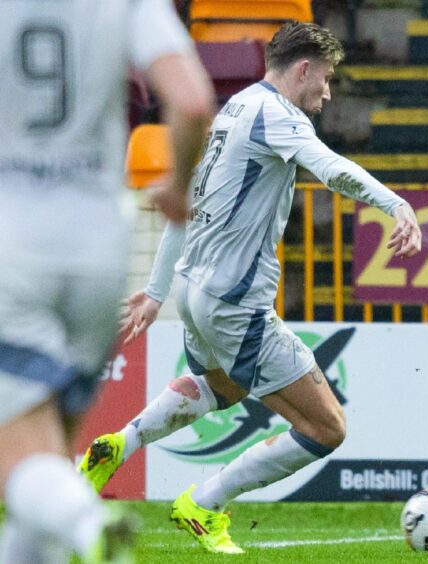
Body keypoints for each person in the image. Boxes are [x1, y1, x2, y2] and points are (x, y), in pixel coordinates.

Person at [79, 22, 423, 555]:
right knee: (327, 428)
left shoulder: (233, 109)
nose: (328, 93)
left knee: (223, 387)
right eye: (327, 79)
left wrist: (155, 290)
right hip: (235, 303)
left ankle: (120, 443)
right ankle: (206, 503)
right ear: (303, 69)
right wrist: (396, 204)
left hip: (193, 291)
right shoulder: (277, 116)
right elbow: (331, 169)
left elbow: (186, 202)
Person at [0, 1, 214, 563]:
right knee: (48, 457)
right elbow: (192, 102)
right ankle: (76, 522)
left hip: (12, 246)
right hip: (100, 247)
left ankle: (90, 524)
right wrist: (176, 186)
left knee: (19, 460)